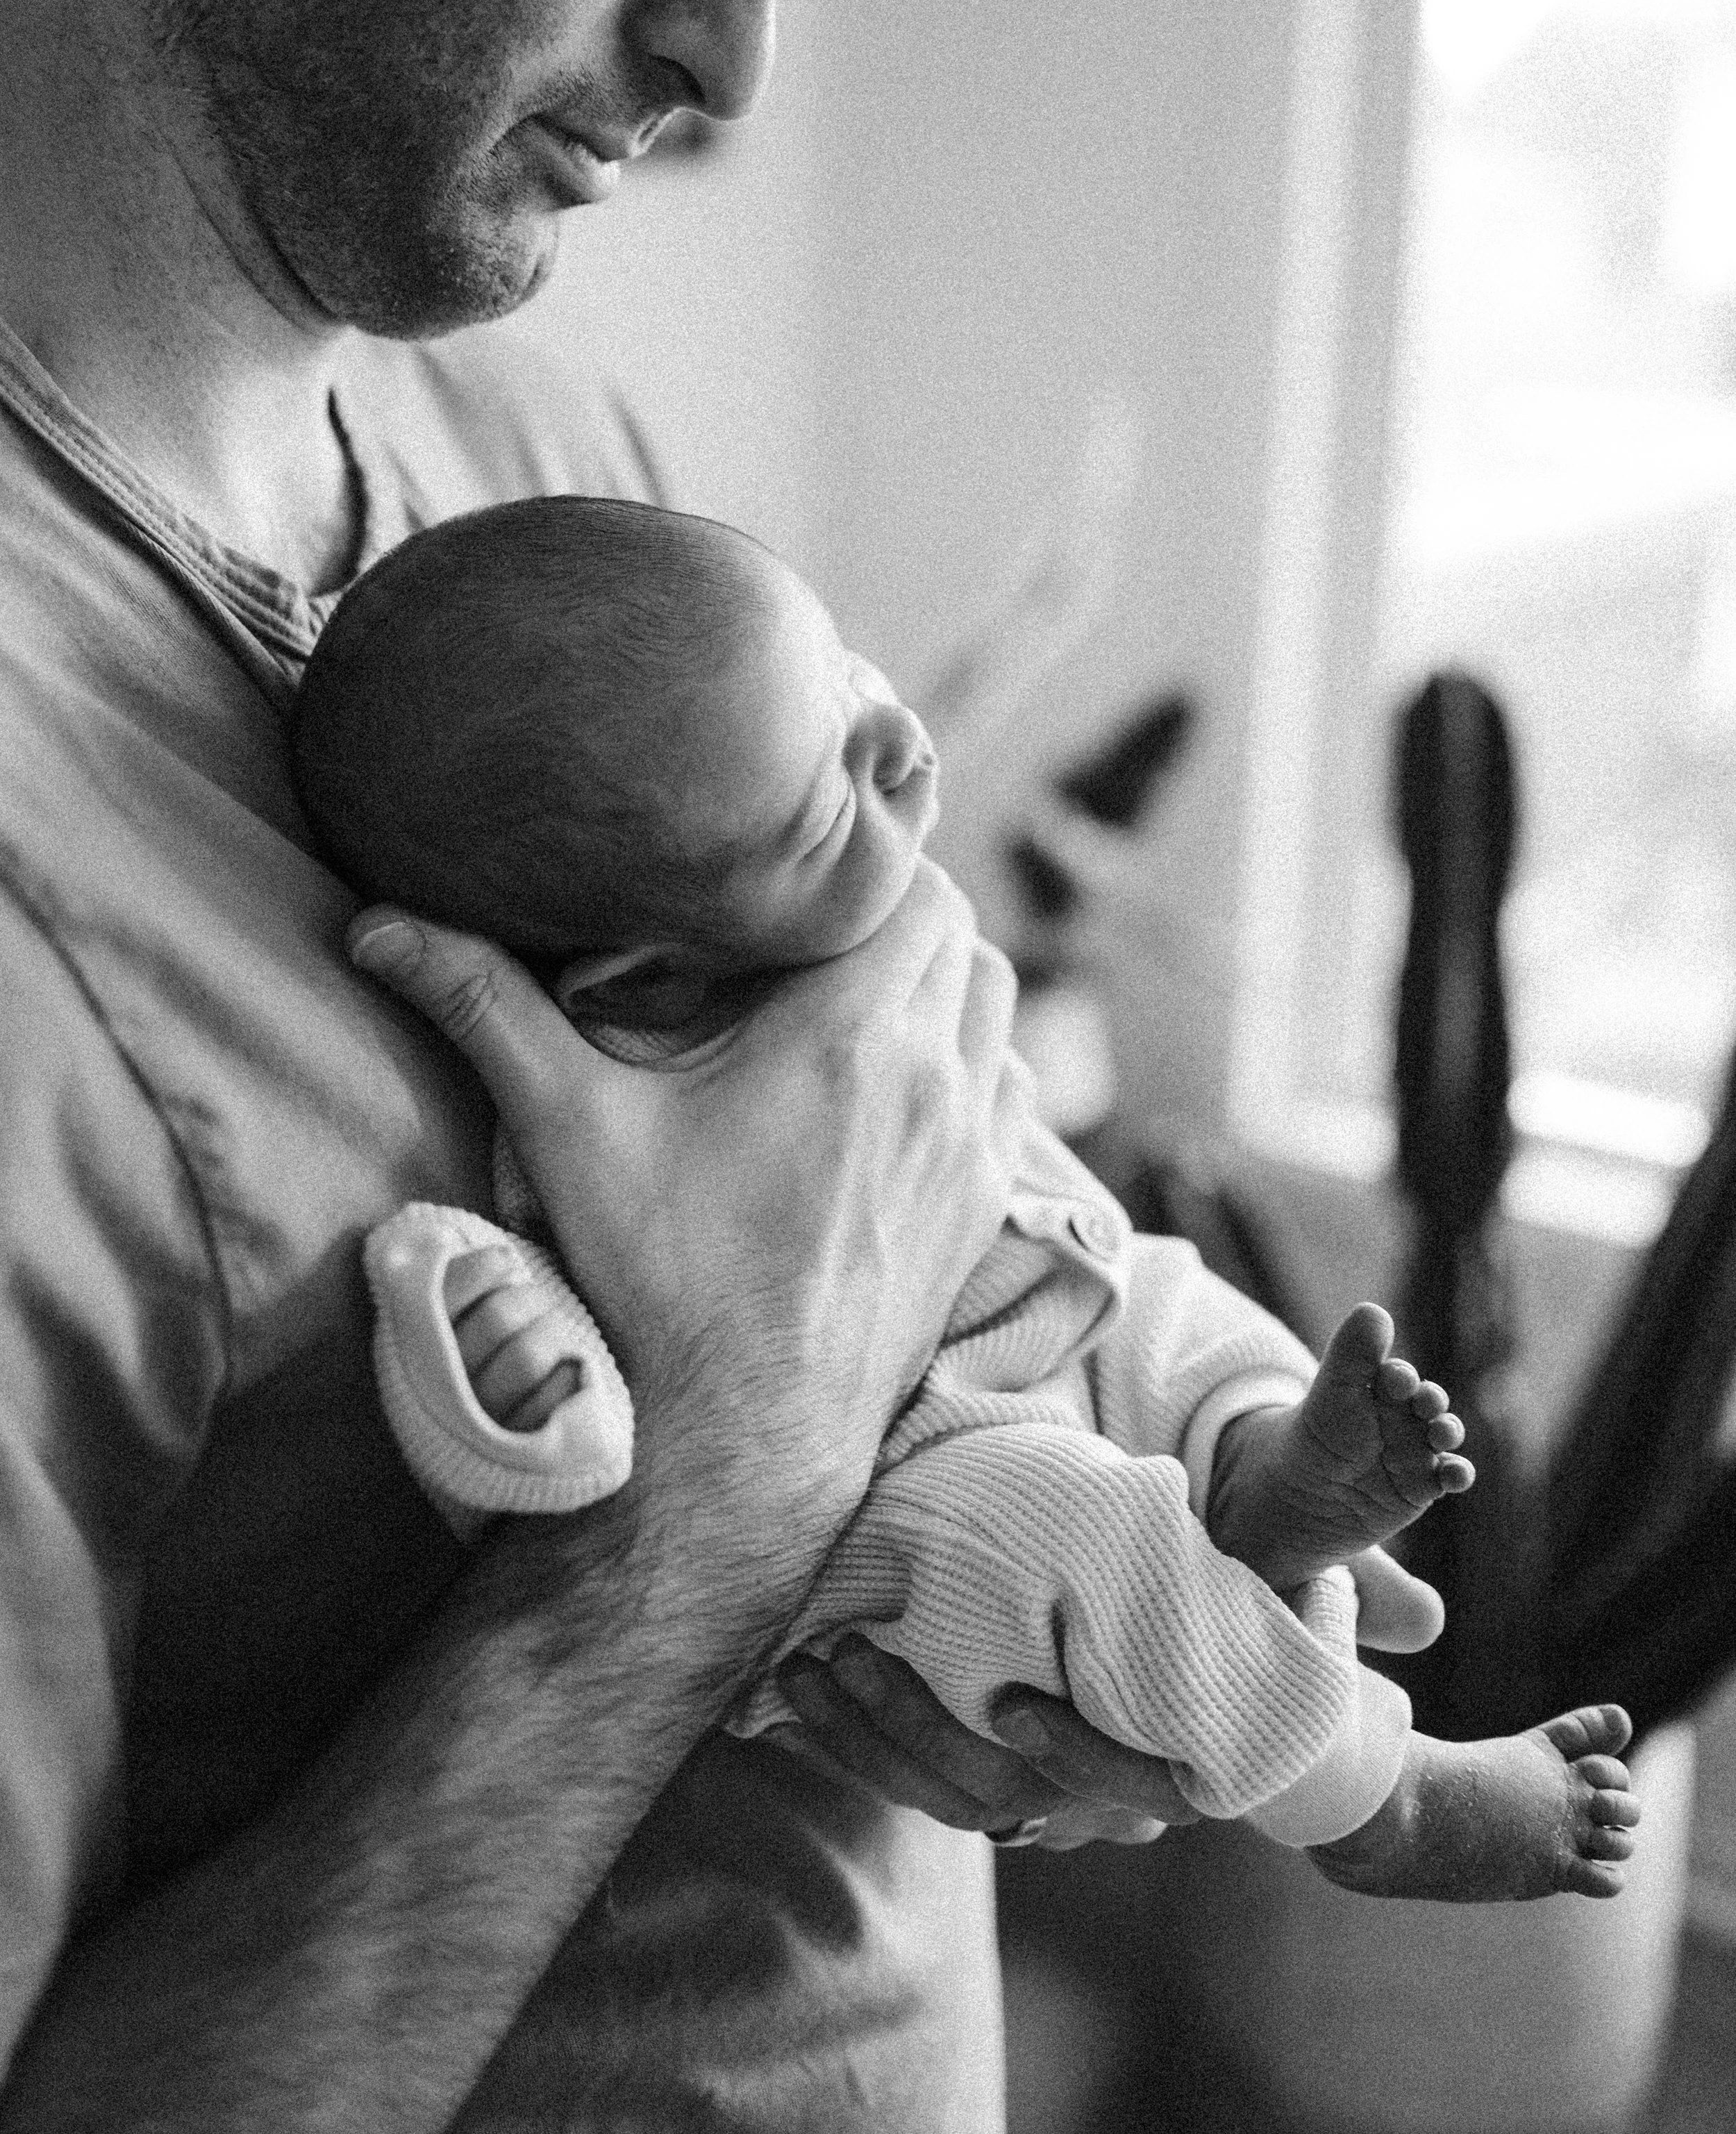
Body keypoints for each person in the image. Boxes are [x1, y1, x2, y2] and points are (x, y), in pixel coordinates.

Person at [0, 0, 1615, 2124]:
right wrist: (716, 1493)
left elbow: (905, 1135)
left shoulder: (523, 445)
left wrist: (1055, 1608)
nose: (738, 59)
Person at [290, 490, 1642, 1896]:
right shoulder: (589, 1107)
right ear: (646, 982)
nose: (901, 744)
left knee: (1181, 1307)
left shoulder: (843, 933)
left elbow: (1049, 1192)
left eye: (853, 685)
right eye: (834, 800)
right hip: (898, 1506)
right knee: (1069, 1515)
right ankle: (1374, 1798)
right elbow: (500, 1343)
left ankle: (1259, 1476)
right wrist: (513, 1395)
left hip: (1049, 1313)